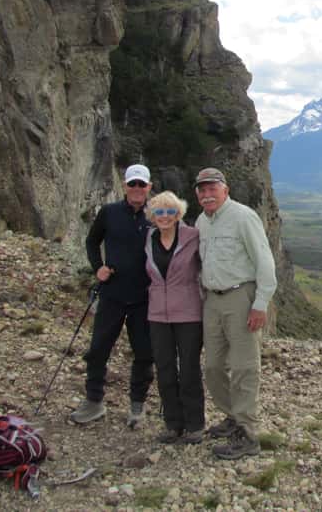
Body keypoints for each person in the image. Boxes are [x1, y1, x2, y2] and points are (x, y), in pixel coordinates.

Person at [193, 167, 278, 459]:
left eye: (212, 188)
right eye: (202, 190)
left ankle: (248, 434)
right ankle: (232, 416)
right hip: (212, 300)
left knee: (244, 366)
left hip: (241, 296)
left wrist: (261, 302)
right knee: (213, 366)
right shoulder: (202, 222)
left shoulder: (243, 217)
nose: (207, 194)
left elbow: (265, 260)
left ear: (225, 190)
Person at [71, 164, 154, 427]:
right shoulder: (109, 213)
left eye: (142, 184)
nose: (137, 189)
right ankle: (94, 401)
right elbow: (92, 241)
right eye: (133, 184)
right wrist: (98, 268)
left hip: (144, 298)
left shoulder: (158, 214)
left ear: (149, 187)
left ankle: (137, 407)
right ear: (125, 186)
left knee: (143, 353)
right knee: (98, 350)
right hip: (113, 294)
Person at [143, 190, 205, 444]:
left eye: (170, 211)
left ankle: (195, 425)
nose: (165, 216)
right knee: (165, 369)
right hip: (157, 313)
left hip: (189, 313)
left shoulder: (192, 236)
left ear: (178, 214)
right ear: (152, 215)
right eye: (159, 212)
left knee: (189, 369)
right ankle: (172, 424)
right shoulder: (148, 238)